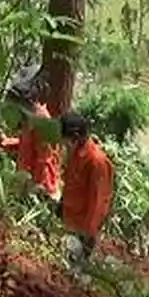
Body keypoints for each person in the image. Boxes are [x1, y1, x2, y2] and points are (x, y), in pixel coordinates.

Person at [57, 112, 113, 263]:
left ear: (75, 137)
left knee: (77, 267)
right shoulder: (75, 153)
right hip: (71, 219)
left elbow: (98, 201)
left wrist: (89, 234)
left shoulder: (97, 162)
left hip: (84, 227)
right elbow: (71, 182)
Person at [0, 79, 61, 199]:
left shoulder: (41, 123)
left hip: (41, 190)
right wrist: (6, 142)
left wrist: (36, 189)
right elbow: (27, 145)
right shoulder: (29, 121)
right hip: (29, 185)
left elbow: (44, 162)